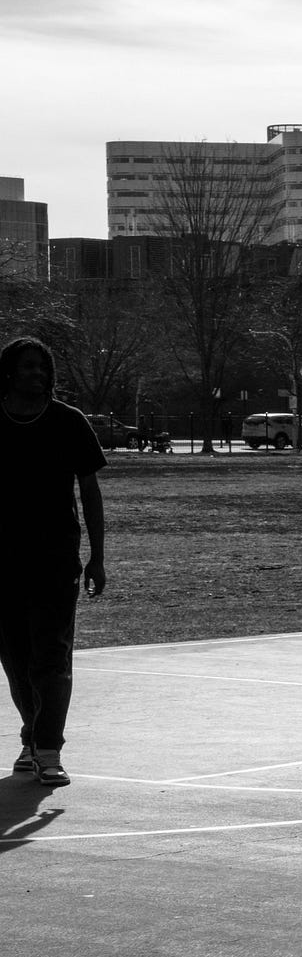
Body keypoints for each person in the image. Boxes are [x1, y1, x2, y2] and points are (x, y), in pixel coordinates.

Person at [0, 336, 105, 787]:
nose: (37, 375)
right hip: (1, 561)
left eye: (43, 368)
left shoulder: (68, 422)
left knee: (52, 657)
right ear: (9, 371)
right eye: (28, 367)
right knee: (16, 659)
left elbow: (91, 491)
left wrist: (98, 557)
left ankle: (48, 749)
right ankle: (31, 736)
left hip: (55, 560)